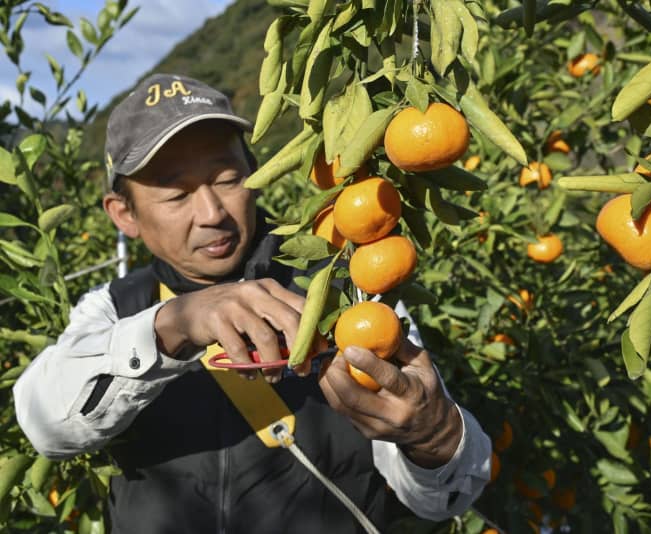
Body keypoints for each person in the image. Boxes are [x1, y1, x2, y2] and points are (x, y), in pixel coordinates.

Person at [13, 73, 491, 533]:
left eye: (226, 179)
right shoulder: (115, 308)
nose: (212, 214)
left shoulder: (349, 291)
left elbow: (440, 500)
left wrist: (434, 439)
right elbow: (43, 424)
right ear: (124, 214)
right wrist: (171, 326)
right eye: (177, 195)